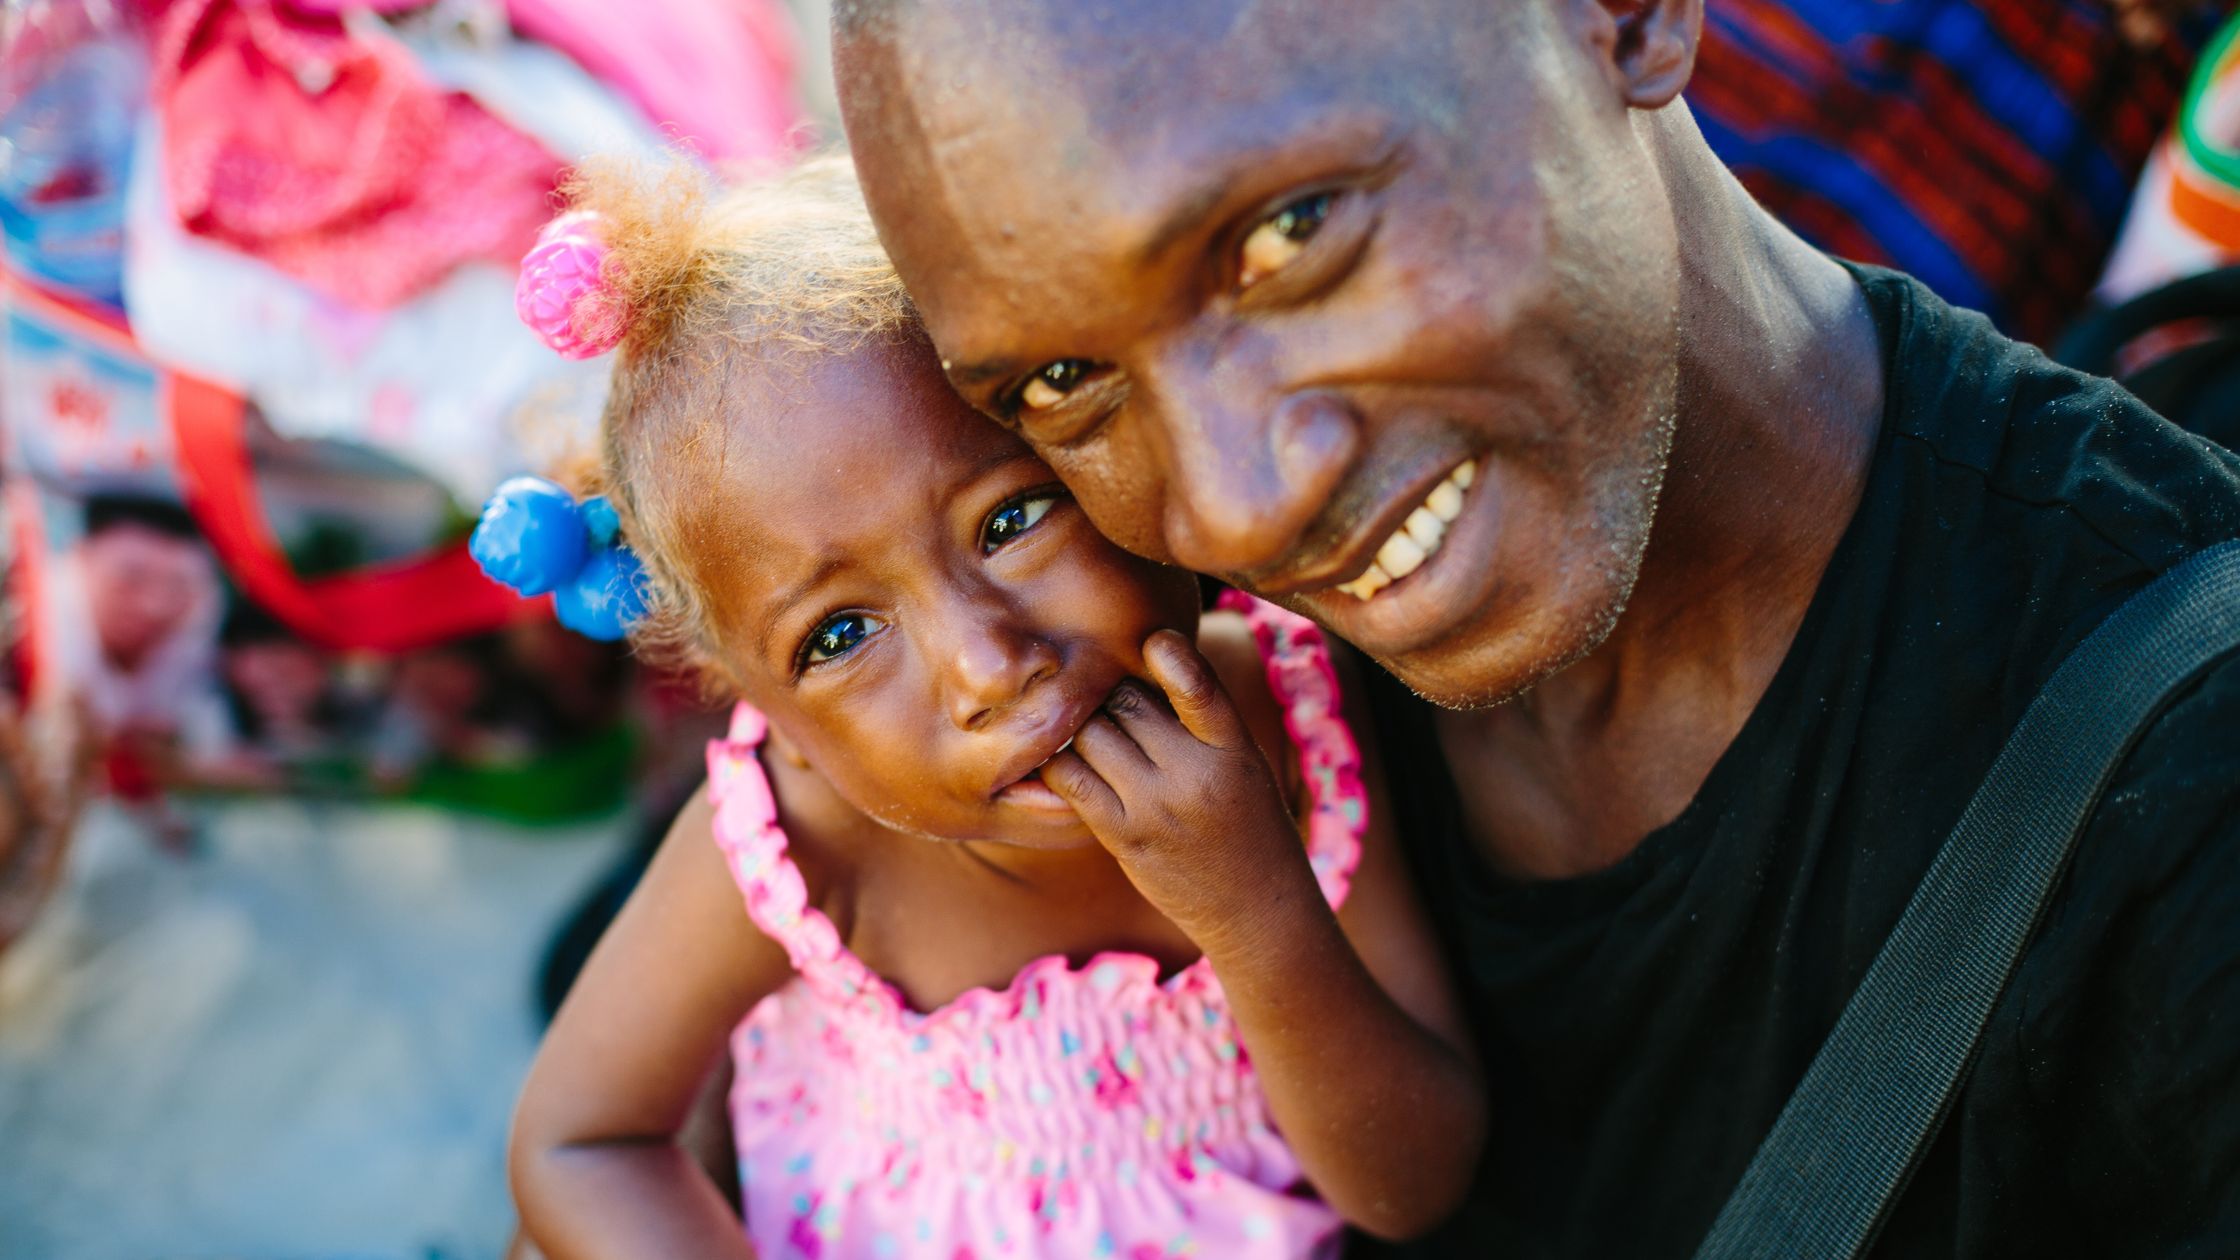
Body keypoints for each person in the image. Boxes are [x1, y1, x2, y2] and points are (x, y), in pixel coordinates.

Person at [828, 0, 2240, 1254]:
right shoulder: (1103, 705)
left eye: (1290, 233)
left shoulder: (2187, 804)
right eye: (1066, 382)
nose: (1236, 514)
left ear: (1626, 19)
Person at [499, 156, 1483, 1259]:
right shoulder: (795, 839)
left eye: (1013, 519)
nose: (987, 665)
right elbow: (579, 1143)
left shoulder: (1298, 724)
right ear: (766, 711)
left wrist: (1254, 913)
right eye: (837, 637)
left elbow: (1410, 1190)